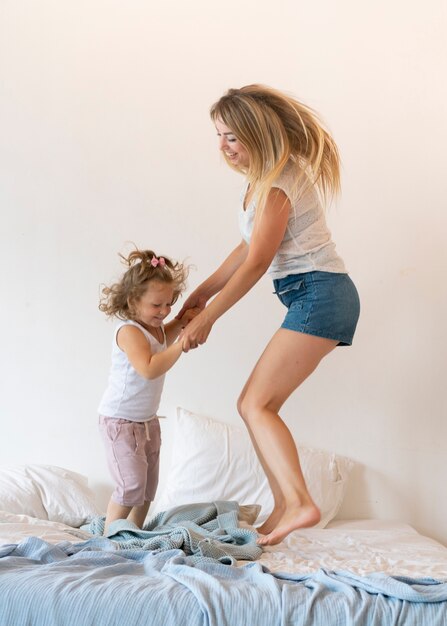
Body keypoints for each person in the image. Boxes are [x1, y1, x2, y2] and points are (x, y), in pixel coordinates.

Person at [177, 84, 360, 546]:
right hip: (312, 295)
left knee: (255, 403)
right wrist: (202, 291)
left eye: (233, 137)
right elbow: (245, 246)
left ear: (257, 135)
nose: (223, 147)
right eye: (218, 135)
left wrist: (208, 318)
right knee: (256, 404)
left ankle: (301, 503)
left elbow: (259, 261)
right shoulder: (261, 181)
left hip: (321, 293)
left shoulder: (279, 182)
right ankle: (284, 505)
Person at [98, 248, 198, 534]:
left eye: (169, 303)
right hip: (120, 422)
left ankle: (134, 533)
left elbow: (168, 333)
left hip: (147, 421)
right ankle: (110, 538)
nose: (164, 311)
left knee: (147, 488)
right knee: (130, 486)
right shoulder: (129, 331)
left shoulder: (157, 329)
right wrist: (182, 343)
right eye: (157, 305)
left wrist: (183, 321)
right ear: (133, 302)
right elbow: (150, 367)